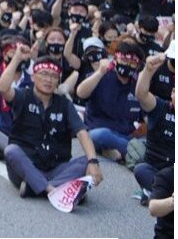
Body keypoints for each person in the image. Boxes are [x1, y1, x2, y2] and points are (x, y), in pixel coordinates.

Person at [0, 47, 104, 202]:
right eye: (44, 74)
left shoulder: (64, 104)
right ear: (33, 76)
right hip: (26, 169)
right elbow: (3, 88)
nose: (48, 80)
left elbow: (82, 132)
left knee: (86, 161)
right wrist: (17, 58)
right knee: (11, 150)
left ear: (58, 81)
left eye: (54, 76)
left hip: (55, 168)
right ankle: (53, 190)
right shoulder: (23, 96)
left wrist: (93, 162)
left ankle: (36, 189)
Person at [74, 40, 144, 162]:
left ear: (137, 66)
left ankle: (121, 152)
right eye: (124, 60)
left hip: (125, 135)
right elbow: (80, 92)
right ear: (115, 59)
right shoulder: (102, 76)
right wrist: (100, 72)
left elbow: (146, 117)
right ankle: (132, 153)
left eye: (132, 63)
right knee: (100, 136)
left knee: (145, 142)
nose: (127, 65)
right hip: (99, 130)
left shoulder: (137, 87)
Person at [133, 46, 175, 203]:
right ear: (172, 93)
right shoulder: (161, 107)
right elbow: (141, 95)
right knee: (141, 169)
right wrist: (148, 70)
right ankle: (160, 197)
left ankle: (156, 196)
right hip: (156, 168)